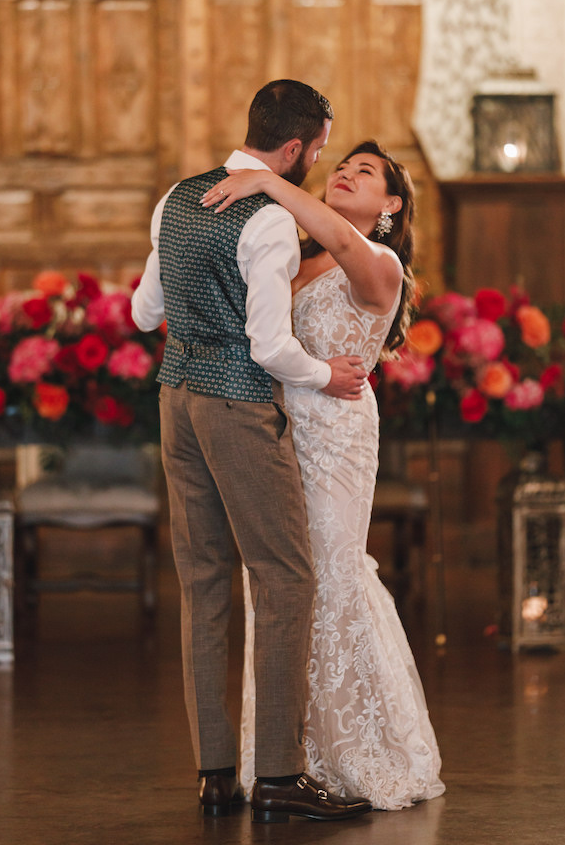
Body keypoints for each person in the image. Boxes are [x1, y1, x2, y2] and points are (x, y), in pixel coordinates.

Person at [131, 80, 373, 824]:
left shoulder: (177, 195)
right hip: (236, 407)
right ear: (294, 148)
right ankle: (277, 775)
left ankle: (214, 775)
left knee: (203, 582)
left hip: (176, 400)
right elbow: (270, 346)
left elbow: (145, 313)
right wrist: (327, 373)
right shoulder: (266, 219)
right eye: (321, 150)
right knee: (286, 581)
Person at [202, 139, 446, 810]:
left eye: (364, 172)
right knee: (280, 581)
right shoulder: (307, 258)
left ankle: (354, 752)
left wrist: (267, 181)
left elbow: (342, 239)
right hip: (279, 427)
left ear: (391, 205)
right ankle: (285, 755)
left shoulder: (382, 263)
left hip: (337, 433)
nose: (344, 173)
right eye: (341, 164)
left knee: (333, 574)